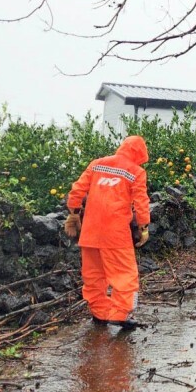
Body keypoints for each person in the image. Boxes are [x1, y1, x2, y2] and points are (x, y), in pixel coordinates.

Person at [65, 135, 151, 330]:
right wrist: (144, 227)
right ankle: (120, 314)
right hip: (116, 235)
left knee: (93, 275)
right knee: (125, 275)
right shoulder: (136, 172)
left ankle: (99, 313)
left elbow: (77, 191)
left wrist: (74, 213)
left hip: (90, 233)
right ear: (140, 154)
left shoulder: (97, 164)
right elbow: (141, 202)